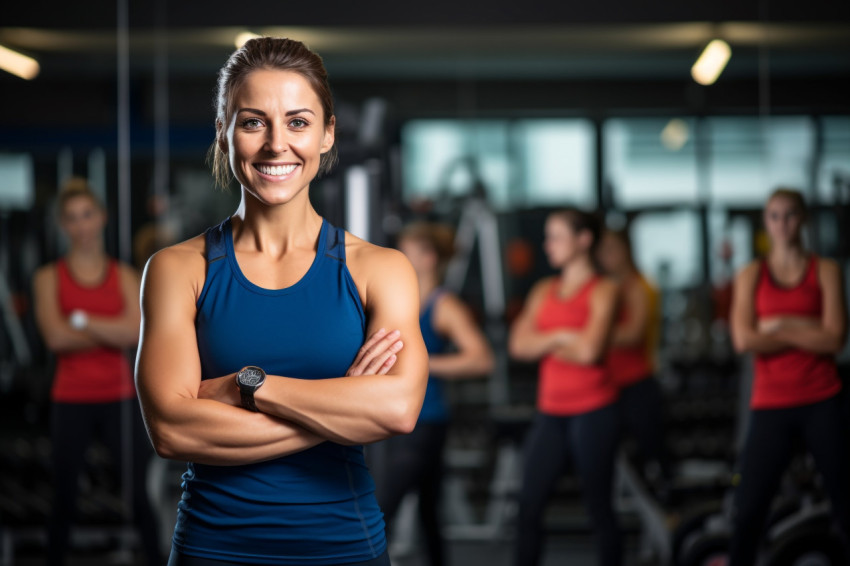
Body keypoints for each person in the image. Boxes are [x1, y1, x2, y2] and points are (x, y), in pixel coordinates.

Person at [134, 37, 429, 566]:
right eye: (252, 122)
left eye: (298, 122)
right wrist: (340, 405)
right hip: (213, 548)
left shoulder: (379, 270)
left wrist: (249, 385)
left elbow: (399, 409)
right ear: (224, 132)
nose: (276, 145)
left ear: (327, 133)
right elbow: (172, 429)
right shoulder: (177, 270)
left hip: (344, 547)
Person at [32, 177, 162, 566]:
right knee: (64, 497)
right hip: (70, 398)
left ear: (101, 218)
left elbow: (136, 332)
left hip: (119, 397)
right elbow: (56, 338)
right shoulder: (47, 278)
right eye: (72, 218)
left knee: (138, 494)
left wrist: (81, 320)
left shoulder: (123, 275)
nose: (81, 225)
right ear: (62, 225)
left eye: (87, 215)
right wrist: (109, 329)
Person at [729, 188, 850, 564]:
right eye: (774, 216)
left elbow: (834, 339)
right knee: (748, 511)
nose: (783, 224)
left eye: (790, 215)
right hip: (771, 403)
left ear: (804, 219)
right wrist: (806, 329)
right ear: (766, 222)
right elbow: (743, 338)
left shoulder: (825, 270)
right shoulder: (751, 274)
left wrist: (778, 325)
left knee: (847, 504)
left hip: (821, 398)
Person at [375, 221, 494, 566]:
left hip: (427, 421)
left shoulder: (444, 305)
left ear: (427, 258)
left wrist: (422, 365)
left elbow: (481, 359)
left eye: (407, 251)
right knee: (429, 513)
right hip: (398, 417)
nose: (399, 257)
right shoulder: (403, 300)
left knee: (382, 508)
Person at [508, 207, 622, 566]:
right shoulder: (544, 289)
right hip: (551, 412)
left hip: (594, 409)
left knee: (599, 508)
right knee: (528, 506)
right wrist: (560, 335)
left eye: (557, 236)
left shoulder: (604, 290)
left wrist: (545, 340)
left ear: (583, 240)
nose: (548, 244)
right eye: (548, 236)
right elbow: (517, 345)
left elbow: (590, 351)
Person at [595, 228, 671, 499]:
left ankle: (667, 510)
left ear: (626, 249)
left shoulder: (638, 286)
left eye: (612, 249)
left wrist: (593, 333)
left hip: (638, 382)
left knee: (653, 457)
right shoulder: (603, 288)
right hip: (608, 385)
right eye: (602, 251)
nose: (606, 256)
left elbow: (634, 333)